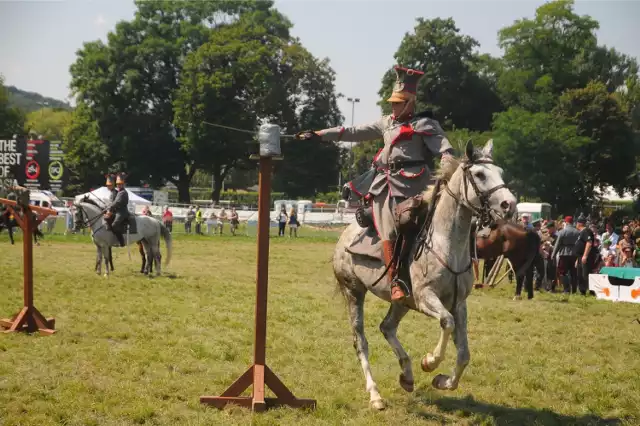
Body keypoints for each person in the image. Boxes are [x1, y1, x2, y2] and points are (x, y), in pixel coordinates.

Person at [297, 66, 453, 301]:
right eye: (392, 102)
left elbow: (445, 150)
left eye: (398, 102)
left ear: (410, 102)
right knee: (389, 226)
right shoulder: (385, 123)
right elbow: (351, 131)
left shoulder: (425, 125)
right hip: (387, 185)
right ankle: (395, 281)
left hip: (418, 183)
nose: (393, 106)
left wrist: (447, 162)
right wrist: (319, 134)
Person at [551, 216, 580, 294]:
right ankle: (574, 290)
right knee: (573, 272)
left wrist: (553, 254)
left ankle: (566, 290)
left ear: (566, 222)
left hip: (564, 253)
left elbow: (557, 244)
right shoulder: (578, 232)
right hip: (575, 254)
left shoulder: (562, 232)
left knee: (562, 272)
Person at [106, 173, 129, 247]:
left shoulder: (123, 192)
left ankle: (121, 242)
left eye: (120, 184)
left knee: (114, 225)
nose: (118, 185)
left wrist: (109, 209)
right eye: (118, 184)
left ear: (123, 184)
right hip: (118, 211)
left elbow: (116, 202)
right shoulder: (119, 192)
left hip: (122, 212)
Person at [573, 216, 594, 295]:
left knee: (586, 274)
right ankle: (582, 291)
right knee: (580, 275)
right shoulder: (581, 232)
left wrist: (585, 255)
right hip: (580, 257)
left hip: (585, 257)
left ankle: (592, 291)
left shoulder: (586, 231)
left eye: (577, 223)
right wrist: (577, 259)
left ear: (579, 223)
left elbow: (589, 243)